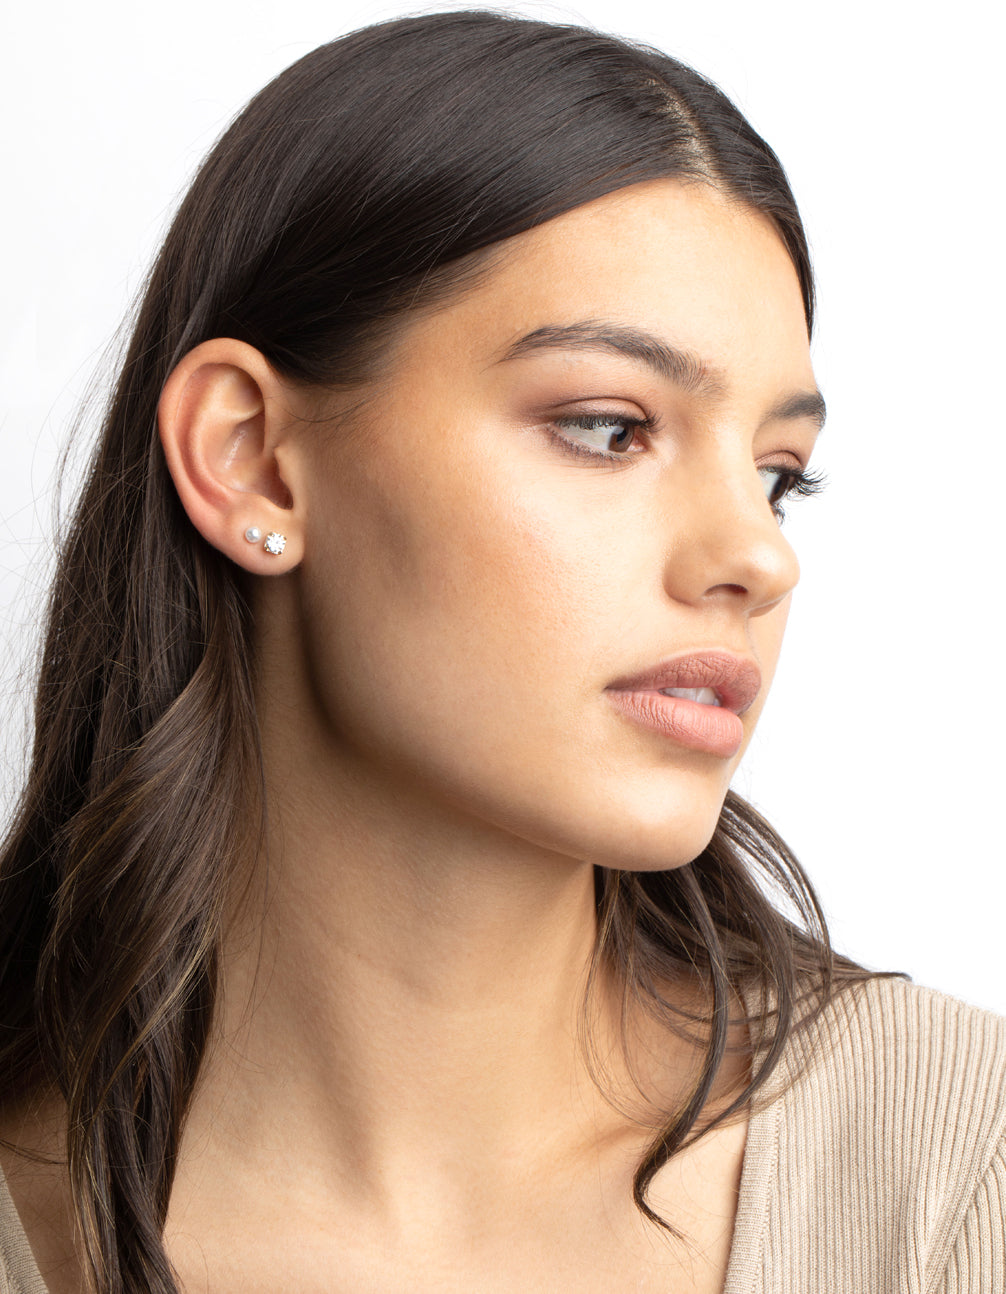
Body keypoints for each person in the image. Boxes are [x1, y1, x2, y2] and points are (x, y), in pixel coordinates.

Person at [0, 10, 1003, 1293]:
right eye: (607, 427)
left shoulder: (954, 1174)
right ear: (249, 458)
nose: (757, 556)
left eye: (776, 474)